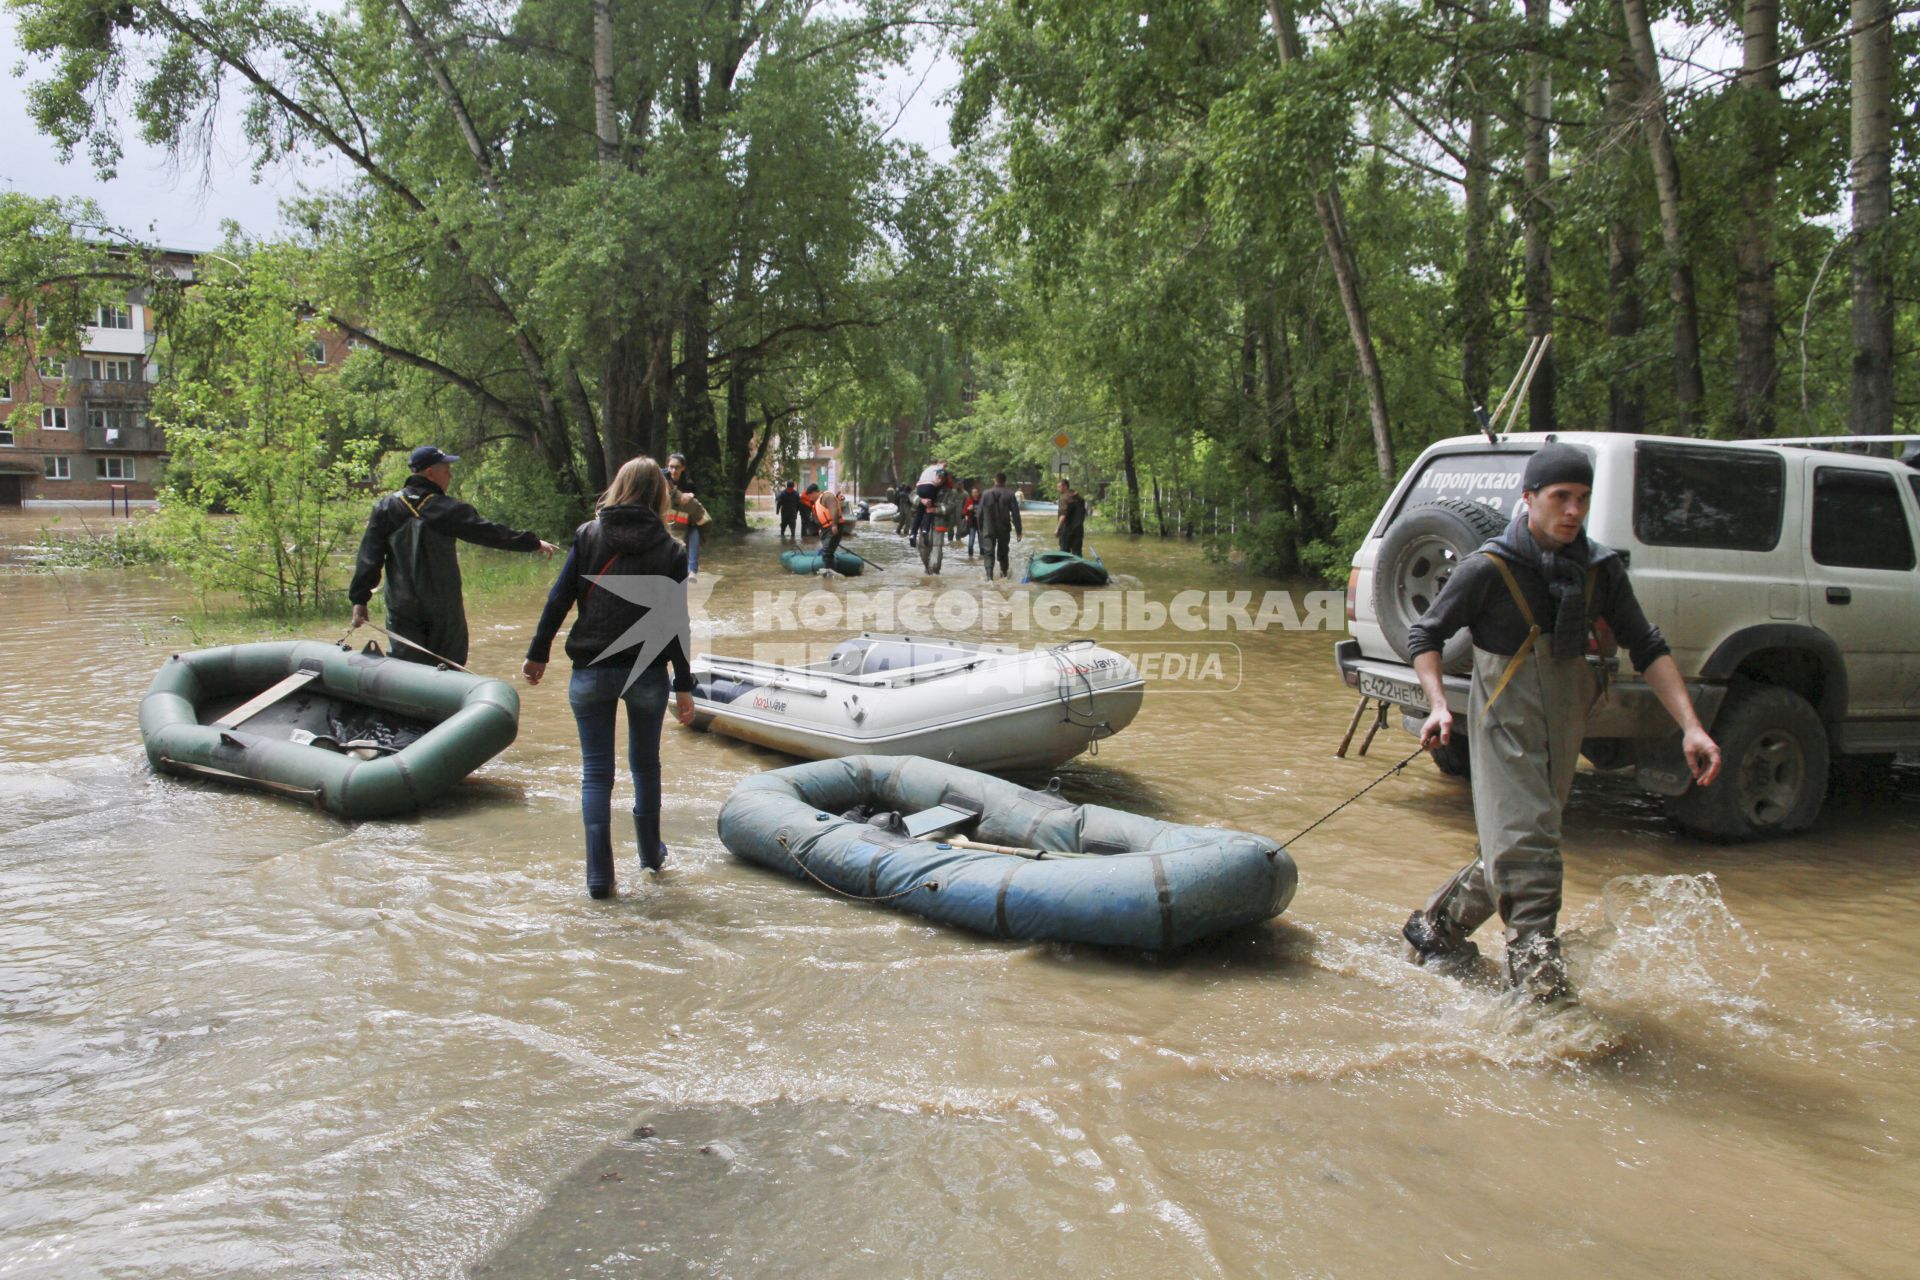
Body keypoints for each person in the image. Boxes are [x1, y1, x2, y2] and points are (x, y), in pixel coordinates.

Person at [1400, 444, 1722, 1001]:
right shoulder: (1489, 569)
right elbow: (1424, 636)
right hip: (1503, 727)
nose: (1573, 511)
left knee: (1515, 846)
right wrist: (1436, 704)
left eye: (1583, 499)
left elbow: (1648, 648)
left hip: (1564, 727)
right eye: (1561, 498)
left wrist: (1692, 727)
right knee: (1532, 853)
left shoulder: (1600, 570)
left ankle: (1434, 931)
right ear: (1529, 500)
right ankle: (1539, 998)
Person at [523, 456, 696, 899]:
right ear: (660, 494)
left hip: (591, 670)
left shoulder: (588, 535)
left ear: (618, 487)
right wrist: (683, 685)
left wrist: (538, 653)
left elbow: (560, 597)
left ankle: (599, 877)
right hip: (647, 673)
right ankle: (651, 858)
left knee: (596, 775)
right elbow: (677, 622)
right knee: (646, 767)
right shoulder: (671, 550)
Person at [349, 445, 557, 667]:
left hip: (401, 608)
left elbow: (369, 556)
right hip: (443, 608)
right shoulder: (447, 508)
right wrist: (532, 543)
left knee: (406, 667)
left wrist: (359, 600)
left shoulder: (386, 507)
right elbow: (489, 533)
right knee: (449, 665)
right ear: (430, 472)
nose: (450, 475)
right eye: (446, 469)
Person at [975, 473, 1023, 582]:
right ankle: (1004, 575)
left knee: (988, 553)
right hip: (1004, 529)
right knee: (1003, 552)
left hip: (988, 529)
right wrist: (1019, 531)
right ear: (1005, 481)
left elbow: (979, 513)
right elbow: (1015, 514)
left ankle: (989, 578)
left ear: (994, 481)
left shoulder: (986, 494)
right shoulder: (1010, 494)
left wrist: (980, 528)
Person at [908, 460, 946, 541]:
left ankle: (913, 534)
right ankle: (926, 529)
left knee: (919, 513)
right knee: (930, 508)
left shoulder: (927, 469)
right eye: (945, 465)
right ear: (940, 463)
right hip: (929, 487)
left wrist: (921, 499)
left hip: (919, 488)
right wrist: (939, 483)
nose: (945, 467)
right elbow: (939, 479)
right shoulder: (939, 468)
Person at [814, 486, 850, 569]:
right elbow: (819, 518)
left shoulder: (828, 497)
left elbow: (834, 510)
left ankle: (829, 573)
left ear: (814, 492)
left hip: (833, 526)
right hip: (826, 528)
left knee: (827, 552)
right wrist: (820, 529)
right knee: (826, 550)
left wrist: (834, 525)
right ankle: (829, 571)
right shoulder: (818, 501)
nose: (810, 498)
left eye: (810, 496)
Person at [1055, 478, 1087, 557]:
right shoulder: (1079, 498)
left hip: (1067, 529)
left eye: (1059, 487)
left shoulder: (1064, 498)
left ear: (1065, 486)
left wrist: (1057, 528)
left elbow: (1063, 515)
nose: (1058, 489)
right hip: (1079, 528)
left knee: (1064, 552)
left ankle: (1065, 567)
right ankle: (1078, 567)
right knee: (1077, 552)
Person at [962, 484, 982, 557]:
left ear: (978, 492)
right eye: (973, 492)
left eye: (976, 492)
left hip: (980, 524)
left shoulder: (982, 500)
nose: (974, 494)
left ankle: (982, 557)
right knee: (970, 543)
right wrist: (968, 509)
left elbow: (986, 511)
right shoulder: (969, 500)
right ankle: (970, 558)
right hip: (972, 524)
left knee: (981, 543)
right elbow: (964, 512)